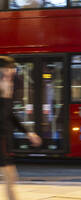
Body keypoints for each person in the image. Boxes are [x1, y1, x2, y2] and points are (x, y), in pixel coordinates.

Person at [0, 56, 42, 200]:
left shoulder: (7, 88)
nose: (11, 73)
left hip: (4, 140)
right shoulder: (4, 90)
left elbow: (10, 116)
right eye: (7, 70)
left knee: (11, 178)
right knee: (10, 177)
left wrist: (28, 133)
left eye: (12, 69)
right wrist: (4, 97)